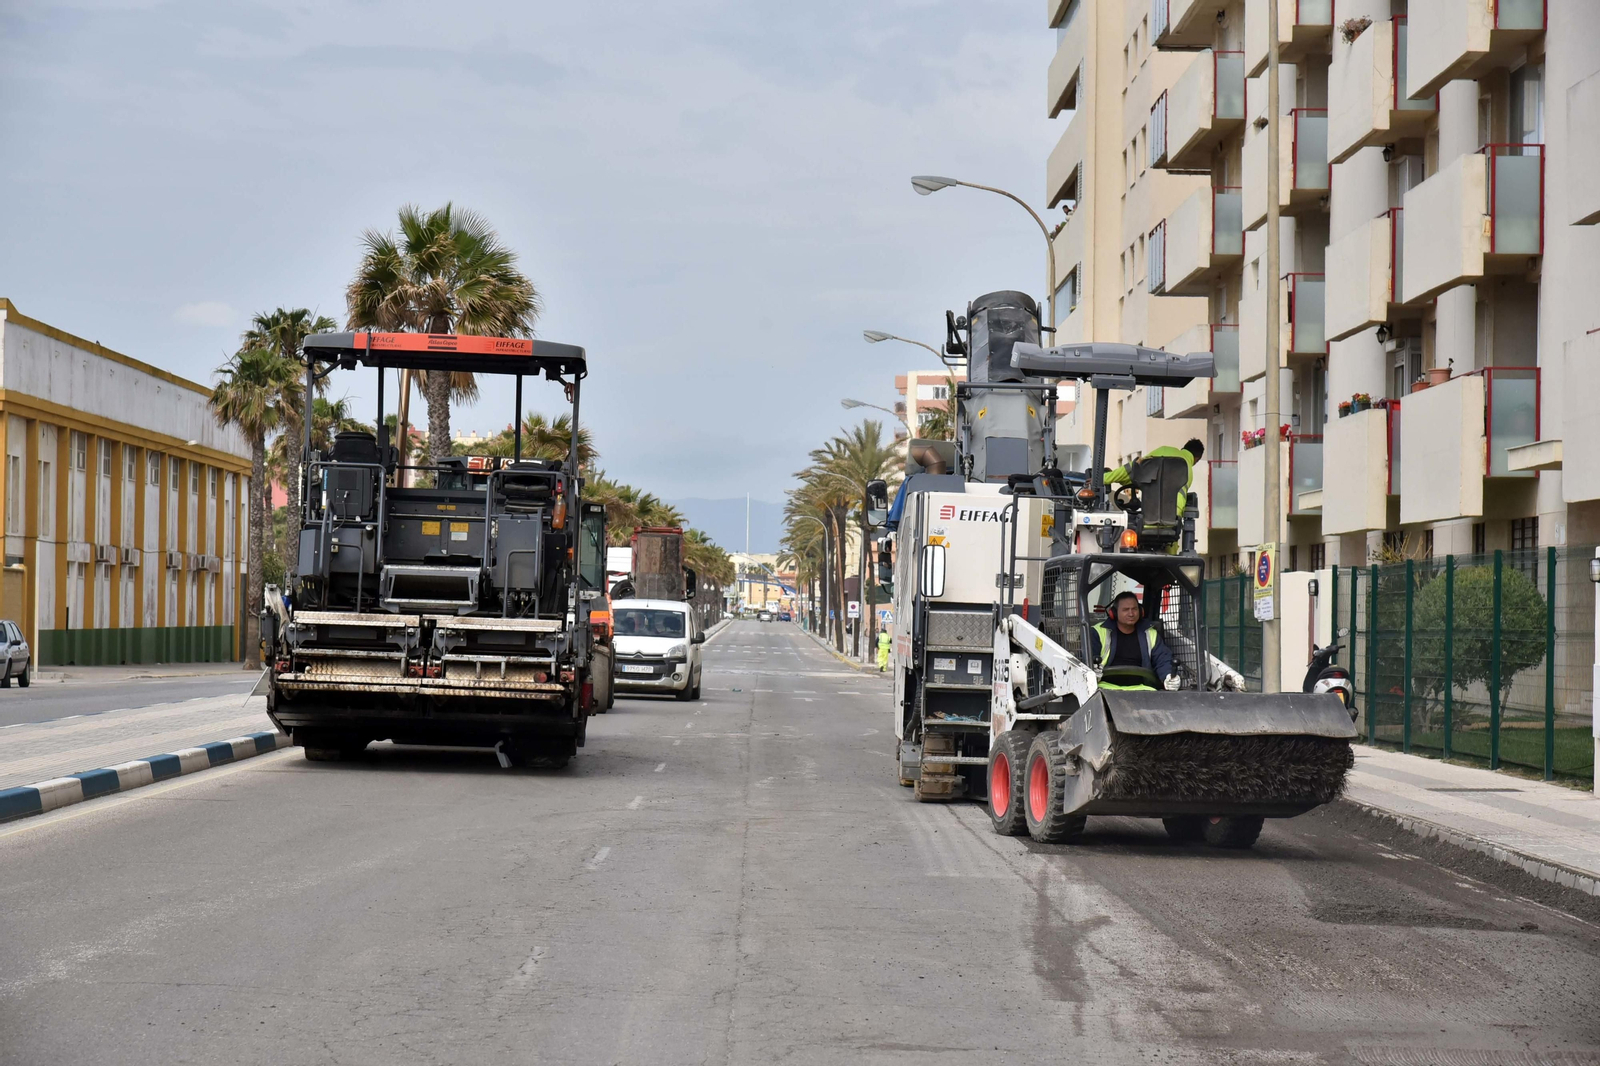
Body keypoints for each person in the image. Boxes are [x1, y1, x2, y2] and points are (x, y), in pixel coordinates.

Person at [1089, 591, 1180, 691]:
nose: (1131, 613)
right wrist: (1092, 672)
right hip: (1104, 689)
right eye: (1125, 610)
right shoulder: (1098, 632)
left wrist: (1168, 676)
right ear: (1114, 613)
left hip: (1143, 690)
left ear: (1141, 611)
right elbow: (1088, 658)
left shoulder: (1150, 634)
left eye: (1134, 609)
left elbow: (1162, 659)